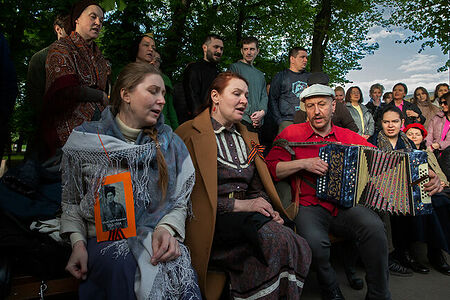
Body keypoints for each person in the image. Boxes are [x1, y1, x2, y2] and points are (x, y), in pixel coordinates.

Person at [60, 62, 201, 299]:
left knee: (180, 271)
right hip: (103, 242)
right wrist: (78, 244)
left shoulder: (170, 144)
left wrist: (167, 229)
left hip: (154, 238)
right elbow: (71, 204)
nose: (162, 100)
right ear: (125, 94)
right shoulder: (85, 142)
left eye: (164, 94)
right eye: (153, 91)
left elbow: (179, 203)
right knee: (121, 265)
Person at [176, 72, 311, 299]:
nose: (245, 101)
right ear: (215, 97)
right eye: (236, 93)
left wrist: (269, 211)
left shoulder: (249, 137)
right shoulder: (188, 133)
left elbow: (258, 189)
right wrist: (243, 206)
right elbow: (188, 198)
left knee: (298, 243)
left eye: (246, 95)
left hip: (249, 219)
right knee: (274, 241)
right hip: (211, 220)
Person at [266, 84, 391, 300]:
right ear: (305, 108)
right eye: (311, 106)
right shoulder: (291, 133)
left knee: (374, 227)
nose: (316, 111)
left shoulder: (347, 135)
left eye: (322, 104)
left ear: (334, 106)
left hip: (344, 205)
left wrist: (424, 176)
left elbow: (382, 161)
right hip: (308, 204)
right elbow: (270, 168)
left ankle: (379, 293)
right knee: (315, 243)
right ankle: (330, 287)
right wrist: (303, 163)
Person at [370, 107, 449, 276]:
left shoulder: (408, 141)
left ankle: (436, 252)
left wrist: (429, 178)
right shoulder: (373, 141)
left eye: (395, 121)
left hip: (412, 185)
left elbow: (419, 167)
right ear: (381, 123)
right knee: (413, 205)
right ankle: (405, 254)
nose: (390, 125)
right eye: (386, 122)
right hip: (385, 191)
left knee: (439, 200)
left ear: (402, 123)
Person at [43, 0, 110, 159]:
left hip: (100, 134)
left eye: (101, 20)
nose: (98, 23)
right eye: (93, 17)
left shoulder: (100, 58)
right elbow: (65, 90)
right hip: (66, 137)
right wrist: (99, 96)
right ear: (77, 19)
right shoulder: (61, 48)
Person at [25, 14, 69, 158]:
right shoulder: (40, 59)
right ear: (58, 29)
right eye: (71, 28)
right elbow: (35, 99)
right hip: (48, 137)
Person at [132, 33, 179, 129]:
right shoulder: (126, 74)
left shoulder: (163, 79)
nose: (151, 49)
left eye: (153, 47)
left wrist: (177, 132)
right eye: (146, 45)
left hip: (161, 130)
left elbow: (171, 110)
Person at [228, 37, 267, 132]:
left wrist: (262, 113)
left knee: (256, 147)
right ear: (242, 51)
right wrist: (252, 114)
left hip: (258, 122)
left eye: (252, 49)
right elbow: (233, 93)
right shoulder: (235, 68)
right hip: (242, 119)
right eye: (246, 49)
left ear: (257, 51)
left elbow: (264, 96)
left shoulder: (260, 75)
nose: (248, 52)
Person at [268, 47, 310, 133]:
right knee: (285, 146)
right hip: (287, 121)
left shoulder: (309, 77)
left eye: (306, 58)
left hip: (307, 121)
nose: (305, 60)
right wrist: (279, 121)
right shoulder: (281, 76)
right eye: (302, 57)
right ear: (292, 59)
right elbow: (272, 99)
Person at [183, 34, 224, 119]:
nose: (219, 51)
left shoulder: (220, 74)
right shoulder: (194, 69)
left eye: (221, 48)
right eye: (216, 47)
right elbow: (192, 97)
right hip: (199, 121)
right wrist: (201, 120)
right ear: (205, 48)